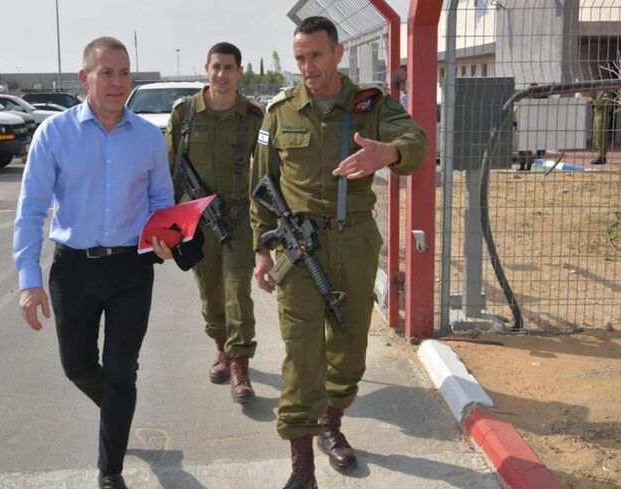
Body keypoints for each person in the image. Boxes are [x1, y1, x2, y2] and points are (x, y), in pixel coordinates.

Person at [250, 16, 428, 489]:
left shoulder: (369, 106)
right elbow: (261, 187)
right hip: (297, 248)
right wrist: (262, 251)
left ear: (338, 53)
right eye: (300, 58)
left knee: (348, 351)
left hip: (354, 243)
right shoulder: (280, 112)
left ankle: (331, 423)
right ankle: (301, 461)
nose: (307, 66)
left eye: (315, 55)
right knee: (302, 355)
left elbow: (416, 141)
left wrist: (385, 153)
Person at [12, 36, 175, 489]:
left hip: (131, 270)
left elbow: (161, 201)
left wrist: (166, 235)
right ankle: (118, 416)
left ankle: (110, 471)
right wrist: (29, 279)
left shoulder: (147, 137)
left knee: (122, 370)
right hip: (74, 269)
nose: (117, 83)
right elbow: (31, 210)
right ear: (85, 78)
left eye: (124, 73)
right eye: (107, 73)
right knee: (78, 366)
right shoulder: (54, 134)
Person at [165, 42, 263, 403]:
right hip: (196, 219)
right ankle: (221, 348)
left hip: (238, 217)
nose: (221, 75)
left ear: (239, 71)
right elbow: (169, 169)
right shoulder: (186, 114)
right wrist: (170, 224)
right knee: (210, 293)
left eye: (229, 68)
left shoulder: (254, 117)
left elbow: (268, 169)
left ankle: (240, 365)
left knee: (238, 291)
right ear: (206, 69)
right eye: (216, 67)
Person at [591, 89, 615, 164]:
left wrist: (592, 101)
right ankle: (601, 155)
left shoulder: (606, 91)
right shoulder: (599, 90)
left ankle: (601, 156)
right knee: (597, 135)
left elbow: (603, 103)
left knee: (601, 135)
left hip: (602, 115)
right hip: (598, 114)